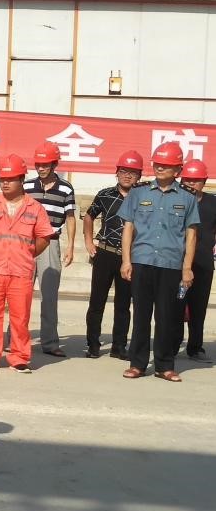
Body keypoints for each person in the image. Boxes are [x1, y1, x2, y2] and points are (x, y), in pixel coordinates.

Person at [119, 142, 198, 382]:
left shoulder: (187, 198)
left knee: (167, 317)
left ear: (178, 170)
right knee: (141, 315)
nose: (160, 168)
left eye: (166, 165)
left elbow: (191, 235)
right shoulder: (138, 193)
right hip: (142, 261)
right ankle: (138, 364)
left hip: (171, 264)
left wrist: (187, 267)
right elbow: (128, 228)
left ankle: (165, 365)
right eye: (158, 164)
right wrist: (126, 261)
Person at [0, 154, 55, 374]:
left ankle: (19, 357)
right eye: (2, 179)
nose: (5, 183)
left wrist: (27, 253)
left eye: (10, 179)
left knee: (20, 317)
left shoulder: (35, 208)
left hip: (21, 271)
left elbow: (44, 237)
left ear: (21, 180)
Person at [82, 150, 143, 359]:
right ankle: (93, 344)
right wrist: (89, 241)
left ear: (139, 175)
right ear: (116, 173)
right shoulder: (105, 194)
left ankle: (119, 346)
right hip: (105, 253)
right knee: (96, 302)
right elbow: (89, 216)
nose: (127, 176)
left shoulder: (143, 197)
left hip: (129, 257)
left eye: (133, 172)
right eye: (124, 171)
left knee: (124, 304)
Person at [24, 142, 76, 356]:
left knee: (49, 296)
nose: (41, 168)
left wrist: (70, 246)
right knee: (20, 294)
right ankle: (15, 340)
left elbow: (70, 218)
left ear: (55, 164)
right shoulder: (26, 186)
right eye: (38, 164)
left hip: (51, 243)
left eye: (46, 164)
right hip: (26, 243)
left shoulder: (66, 188)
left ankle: (50, 343)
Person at [175, 159, 215, 361]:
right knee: (175, 305)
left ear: (204, 181)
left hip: (203, 263)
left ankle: (195, 347)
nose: (191, 184)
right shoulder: (175, 200)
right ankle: (172, 345)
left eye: (196, 180)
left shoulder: (213, 203)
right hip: (176, 262)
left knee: (198, 307)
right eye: (187, 180)